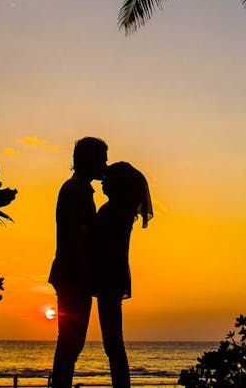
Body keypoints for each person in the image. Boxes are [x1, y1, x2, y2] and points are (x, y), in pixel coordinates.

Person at [48, 137, 107, 388]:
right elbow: (78, 237)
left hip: (71, 274)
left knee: (71, 342)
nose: (105, 163)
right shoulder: (77, 190)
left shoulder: (78, 188)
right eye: (101, 157)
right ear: (88, 160)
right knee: (71, 341)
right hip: (73, 275)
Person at [90, 161, 153, 388]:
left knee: (113, 343)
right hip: (113, 277)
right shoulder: (122, 211)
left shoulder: (113, 211)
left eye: (108, 179)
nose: (103, 181)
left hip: (108, 277)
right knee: (113, 341)